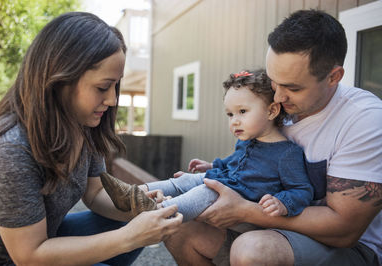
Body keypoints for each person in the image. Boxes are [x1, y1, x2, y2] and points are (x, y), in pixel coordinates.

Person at [164, 9, 382, 266]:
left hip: (346, 248)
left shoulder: (364, 119)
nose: (277, 97)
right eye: (274, 81)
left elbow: (345, 230)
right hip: (266, 221)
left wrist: (245, 211)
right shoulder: (278, 105)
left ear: (333, 77)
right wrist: (216, 170)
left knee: (252, 250)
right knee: (177, 227)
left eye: (293, 87)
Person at [0, 12, 182, 265]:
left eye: (115, 87)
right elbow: (28, 256)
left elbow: (95, 192)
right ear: (60, 79)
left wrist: (137, 206)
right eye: (102, 87)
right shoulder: (10, 149)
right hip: (6, 258)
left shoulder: (81, 124)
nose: (112, 101)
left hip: (48, 237)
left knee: (130, 219)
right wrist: (130, 237)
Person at [101, 69, 313, 222]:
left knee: (202, 192)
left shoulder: (287, 153)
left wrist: (283, 203)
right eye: (230, 114)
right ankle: (133, 192)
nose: (234, 121)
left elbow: (302, 190)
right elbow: (232, 162)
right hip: (225, 179)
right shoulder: (246, 140)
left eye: (242, 112)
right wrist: (211, 166)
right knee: (184, 180)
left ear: (271, 111)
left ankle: (158, 211)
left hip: (237, 197)